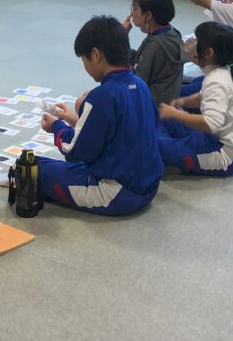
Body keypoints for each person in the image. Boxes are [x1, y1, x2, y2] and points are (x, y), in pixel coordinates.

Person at [38, 16, 163, 217]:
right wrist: (74, 119)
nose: (84, 65)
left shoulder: (102, 96)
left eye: (84, 59)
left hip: (116, 194)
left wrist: (56, 127)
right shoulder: (140, 85)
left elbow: (75, 150)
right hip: (148, 186)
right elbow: (120, 132)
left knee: (35, 168)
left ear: (96, 55)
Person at [157, 21, 233, 176]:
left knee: (150, 142)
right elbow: (204, 96)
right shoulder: (221, 71)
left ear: (208, 53)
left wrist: (175, 113)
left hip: (224, 155)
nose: (191, 41)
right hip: (213, 139)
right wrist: (184, 102)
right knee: (162, 121)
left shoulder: (217, 80)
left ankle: (182, 162)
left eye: (196, 39)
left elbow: (211, 124)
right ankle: (175, 155)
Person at [123, 0, 183, 107]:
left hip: (152, 108)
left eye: (135, 9)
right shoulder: (172, 33)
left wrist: (120, 39)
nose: (132, 13)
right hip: (167, 99)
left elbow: (134, 84)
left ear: (149, 15)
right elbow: (139, 59)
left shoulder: (155, 46)